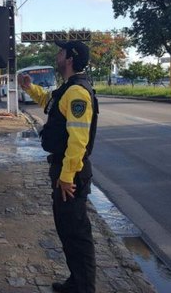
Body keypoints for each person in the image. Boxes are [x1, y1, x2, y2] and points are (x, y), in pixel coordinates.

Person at [19, 40, 99, 293]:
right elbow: (50, 104)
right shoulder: (67, 89)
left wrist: (66, 177)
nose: (57, 53)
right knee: (67, 230)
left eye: (61, 51)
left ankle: (84, 288)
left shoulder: (77, 93)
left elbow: (78, 141)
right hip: (65, 170)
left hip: (71, 174)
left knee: (76, 233)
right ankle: (76, 282)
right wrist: (30, 89)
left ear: (70, 59)